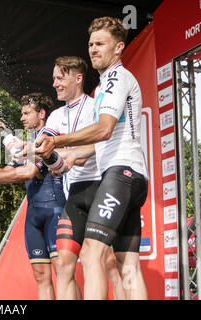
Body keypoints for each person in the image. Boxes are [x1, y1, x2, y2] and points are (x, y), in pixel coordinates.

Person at [35, 16, 148, 300]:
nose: (93, 49)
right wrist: (72, 156)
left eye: (100, 44)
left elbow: (103, 129)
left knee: (91, 252)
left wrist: (57, 141)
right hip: (131, 175)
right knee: (127, 264)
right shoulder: (106, 85)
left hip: (120, 174)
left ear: (119, 47)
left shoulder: (115, 77)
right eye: (90, 44)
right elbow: (107, 138)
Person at [0, 92, 64, 300]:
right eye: (21, 113)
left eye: (27, 113)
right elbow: (8, 170)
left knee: (63, 274)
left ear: (42, 113)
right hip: (34, 214)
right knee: (41, 275)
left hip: (55, 210)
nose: (22, 118)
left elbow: (29, 172)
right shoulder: (27, 142)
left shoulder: (47, 138)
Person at [43, 55, 125, 300]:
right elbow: (47, 150)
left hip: (101, 188)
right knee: (63, 264)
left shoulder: (95, 107)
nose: (55, 83)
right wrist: (47, 159)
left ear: (78, 78)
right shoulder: (55, 116)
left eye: (60, 78)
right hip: (75, 195)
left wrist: (66, 156)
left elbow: (97, 145)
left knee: (108, 263)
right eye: (54, 78)